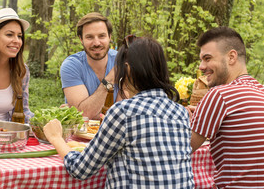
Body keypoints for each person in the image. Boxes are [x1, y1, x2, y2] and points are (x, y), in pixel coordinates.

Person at [44, 37, 194, 188]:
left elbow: (80, 169)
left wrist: (56, 138)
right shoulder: (180, 112)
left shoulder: (123, 112)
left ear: (127, 69)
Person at [190, 27, 264, 188]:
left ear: (231, 57)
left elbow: (181, 150)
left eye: (207, 58)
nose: (201, 67)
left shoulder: (220, 95)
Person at [60, 12, 119, 119]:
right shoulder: (71, 66)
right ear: (81, 39)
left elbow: (128, 112)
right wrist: (110, 79)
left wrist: (84, 110)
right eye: (89, 37)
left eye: (102, 36)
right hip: (81, 134)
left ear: (110, 37)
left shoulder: (122, 61)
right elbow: (84, 114)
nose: (96, 43)